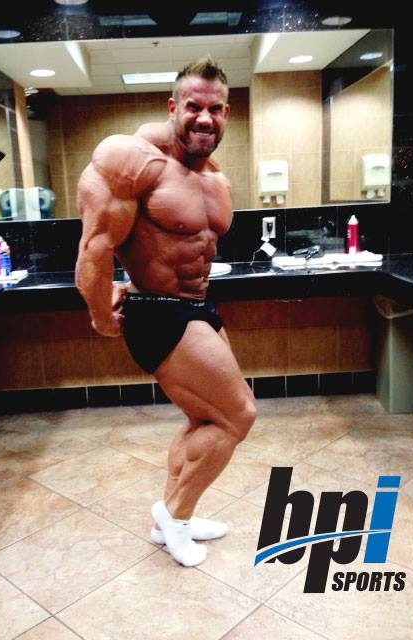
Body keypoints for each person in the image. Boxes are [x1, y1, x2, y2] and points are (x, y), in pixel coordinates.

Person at [75, 56, 257, 567]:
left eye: (215, 109)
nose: (204, 118)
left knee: (206, 417)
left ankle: (170, 520)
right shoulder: (134, 161)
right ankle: (175, 515)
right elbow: (95, 245)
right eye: (193, 106)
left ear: (227, 114)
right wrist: (100, 314)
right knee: (238, 416)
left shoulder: (214, 176)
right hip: (157, 311)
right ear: (172, 107)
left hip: (198, 307)